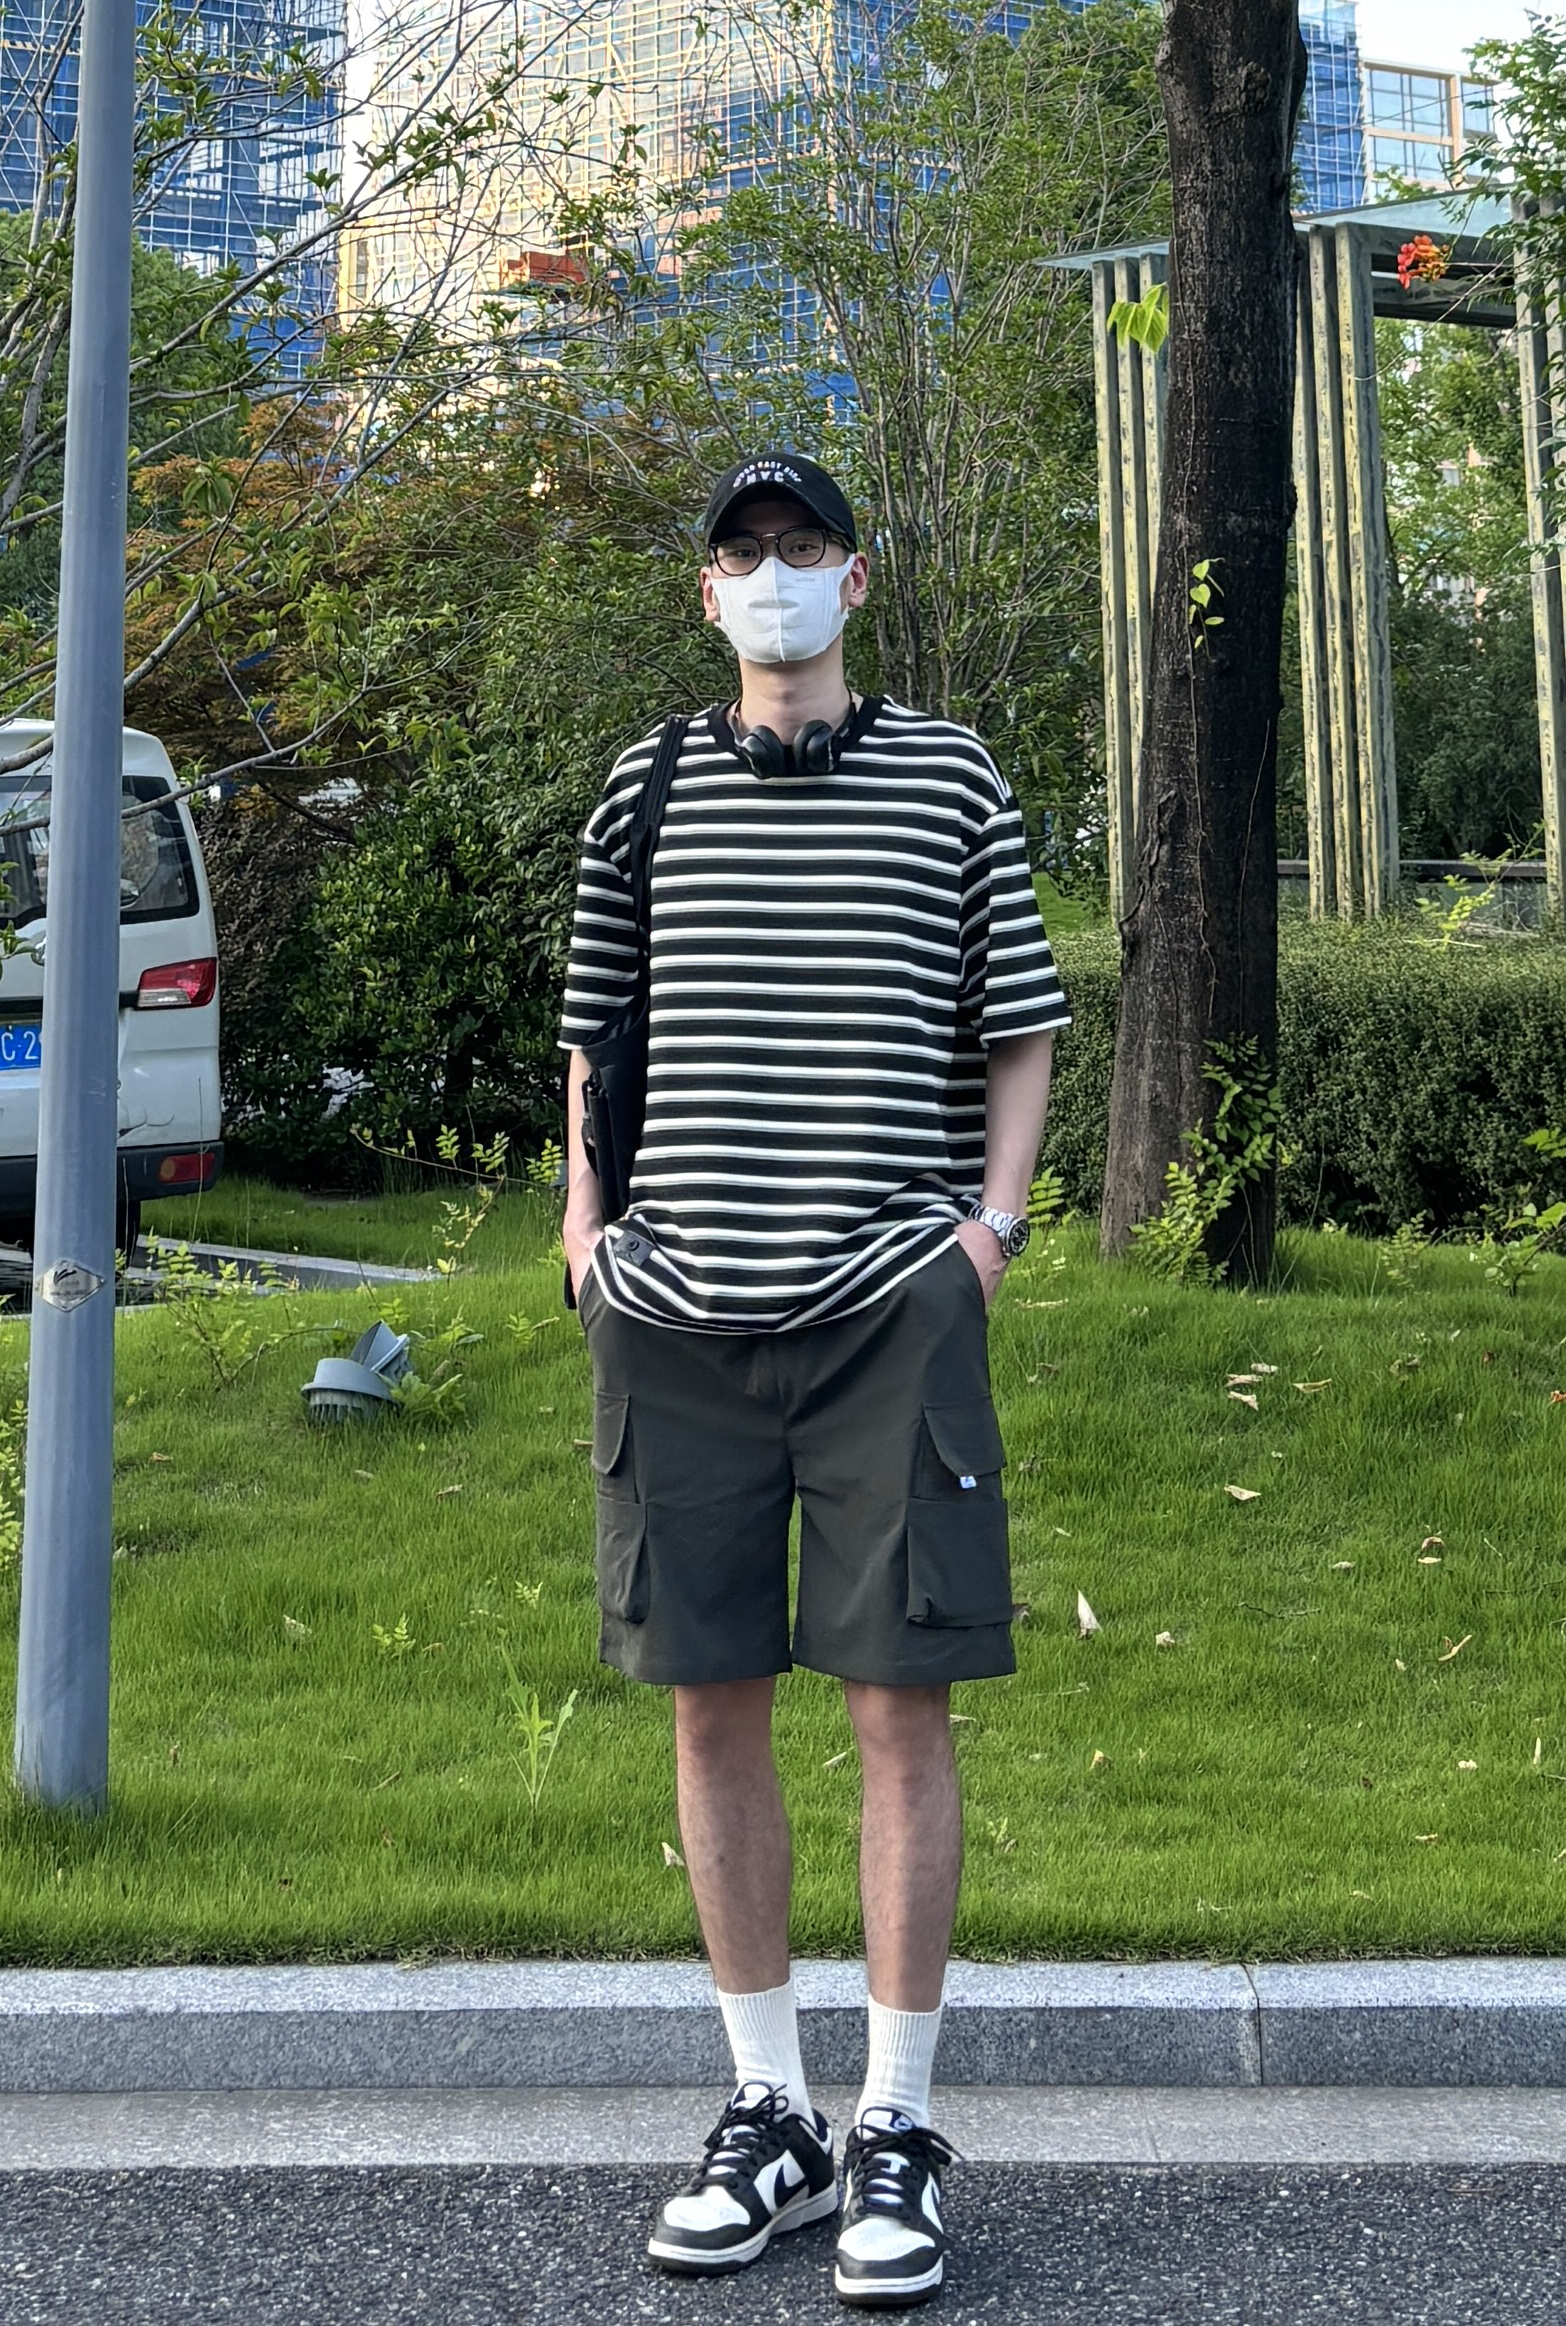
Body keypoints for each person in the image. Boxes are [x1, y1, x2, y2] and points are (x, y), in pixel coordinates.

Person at [559, 451, 1068, 2310]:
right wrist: (584, 1233)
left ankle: (896, 2124)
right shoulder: (645, 788)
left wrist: (988, 1227)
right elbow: (593, 1031)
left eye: (800, 547)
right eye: (740, 554)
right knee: (708, 1708)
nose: (769, 575)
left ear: (854, 581)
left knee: (895, 1705)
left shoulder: (950, 778)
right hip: (677, 1312)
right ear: (705, 596)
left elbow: (1016, 1022)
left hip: (884, 1311)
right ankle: (765, 2108)